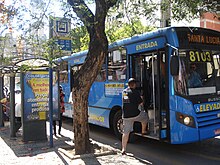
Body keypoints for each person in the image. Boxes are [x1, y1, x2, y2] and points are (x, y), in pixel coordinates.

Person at [121, 78, 149, 155]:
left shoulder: (124, 92)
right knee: (145, 117)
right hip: (135, 114)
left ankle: (123, 149)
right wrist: (142, 98)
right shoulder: (136, 92)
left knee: (125, 133)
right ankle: (143, 131)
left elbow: (127, 102)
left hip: (126, 116)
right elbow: (141, 103)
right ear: (134, 85)